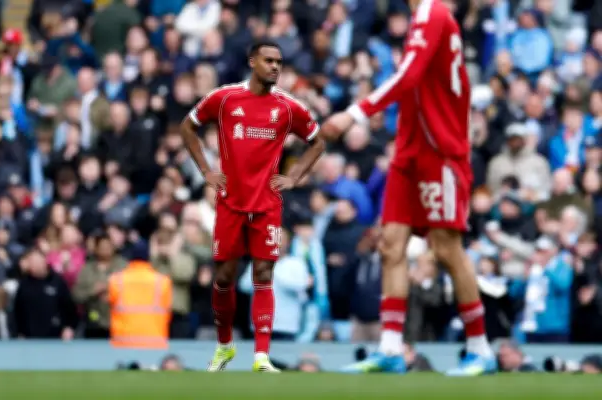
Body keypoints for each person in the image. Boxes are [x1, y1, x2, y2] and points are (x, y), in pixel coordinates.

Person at [323, 0, 498, 376]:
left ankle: (480, 348)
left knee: (447, 248)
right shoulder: (423, 16)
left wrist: (353, 114)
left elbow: (409, 76)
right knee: (391, 244)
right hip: (410, 149)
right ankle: (389, 348)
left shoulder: (433, 12)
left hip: (440, 149)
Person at [179, 39, 326, 372]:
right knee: (224, 278)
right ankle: (225, 346)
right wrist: (206, 171)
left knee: (263, 273)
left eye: (279, 62)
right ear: (252, 62)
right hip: (231, 202)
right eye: (269, 60)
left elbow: (318, 141)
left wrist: (295, 177)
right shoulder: (226, 97)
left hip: (267, 203)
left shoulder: (288, 107)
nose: (275, 66)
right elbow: (187, 127)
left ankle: (261, 355)